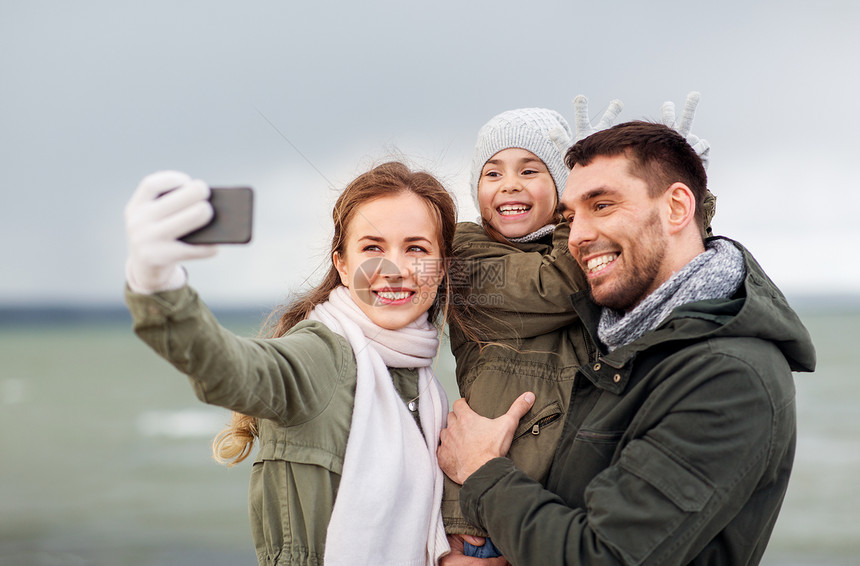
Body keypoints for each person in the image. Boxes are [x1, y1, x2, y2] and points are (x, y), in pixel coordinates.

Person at [437, 120, 817, 565]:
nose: (576, 236)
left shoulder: (728, 378)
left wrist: (483, 469)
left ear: (678, 207)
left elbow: (603, 557)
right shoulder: (624, 338)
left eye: (602, 204)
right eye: (569, 216)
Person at [123, 162, 464, 566]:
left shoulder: (425, 385)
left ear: (440, 268)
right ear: (341, 264)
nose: (394, 269)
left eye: (417, 248)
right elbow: (231, 368)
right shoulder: (322, 354)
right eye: (372, 247)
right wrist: (156, 281)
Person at [443, 95, 712, 561]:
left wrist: (679, 184)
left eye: (530, 170)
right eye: (492, 173)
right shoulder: (464, 259)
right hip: (488, 505)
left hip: (557, 500)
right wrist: (589, 205)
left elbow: (665, 270)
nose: (509, 185)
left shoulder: (584, 248)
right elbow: (559, 284)